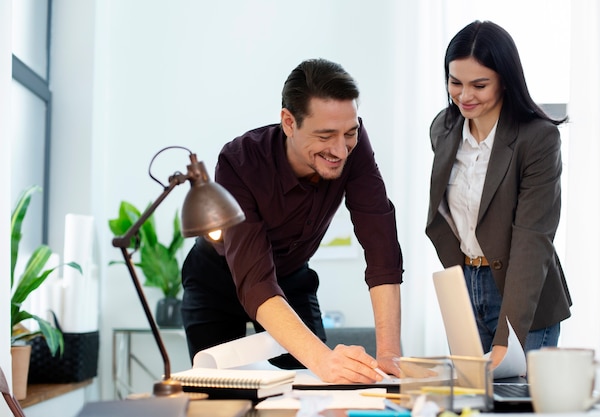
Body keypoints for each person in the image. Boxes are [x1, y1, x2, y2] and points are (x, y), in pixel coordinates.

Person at [181, 58, 403, 383]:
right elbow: (256, 279)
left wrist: (389, 356)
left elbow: (381, 245)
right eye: (325, 135)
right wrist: (325, 361)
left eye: (350, 133)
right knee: (220, 395)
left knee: (317, 385)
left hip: (290, 277)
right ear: (288, 122)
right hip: (218, 281)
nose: (340, 150)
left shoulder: (350, 145)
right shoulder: (239, 162)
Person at [425, 21, 572, 369]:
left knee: (517, 400)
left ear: (505, 80)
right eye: (455, 82)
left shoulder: (537, 138)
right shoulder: (443, 129)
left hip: (522, 291)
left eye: (479, 85)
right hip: (465, 284)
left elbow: (532, 239)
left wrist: (509, 338)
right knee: (470, 401)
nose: (464, 96)